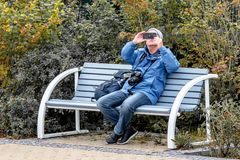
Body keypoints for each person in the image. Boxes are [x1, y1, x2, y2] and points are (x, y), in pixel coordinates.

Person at [97, 28, 180, 145]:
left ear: (160, 39)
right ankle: (127, 129)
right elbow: (125, 55)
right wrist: (134, 42)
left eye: (154, 36)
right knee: (102, 103)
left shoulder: (164, 56)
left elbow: (173, 67)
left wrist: (161, 47)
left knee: (127, 105)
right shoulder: (140, 54)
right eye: (148, 36)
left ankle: (117, 132)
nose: (151, 38)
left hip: (147, 93)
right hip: (128, 89)